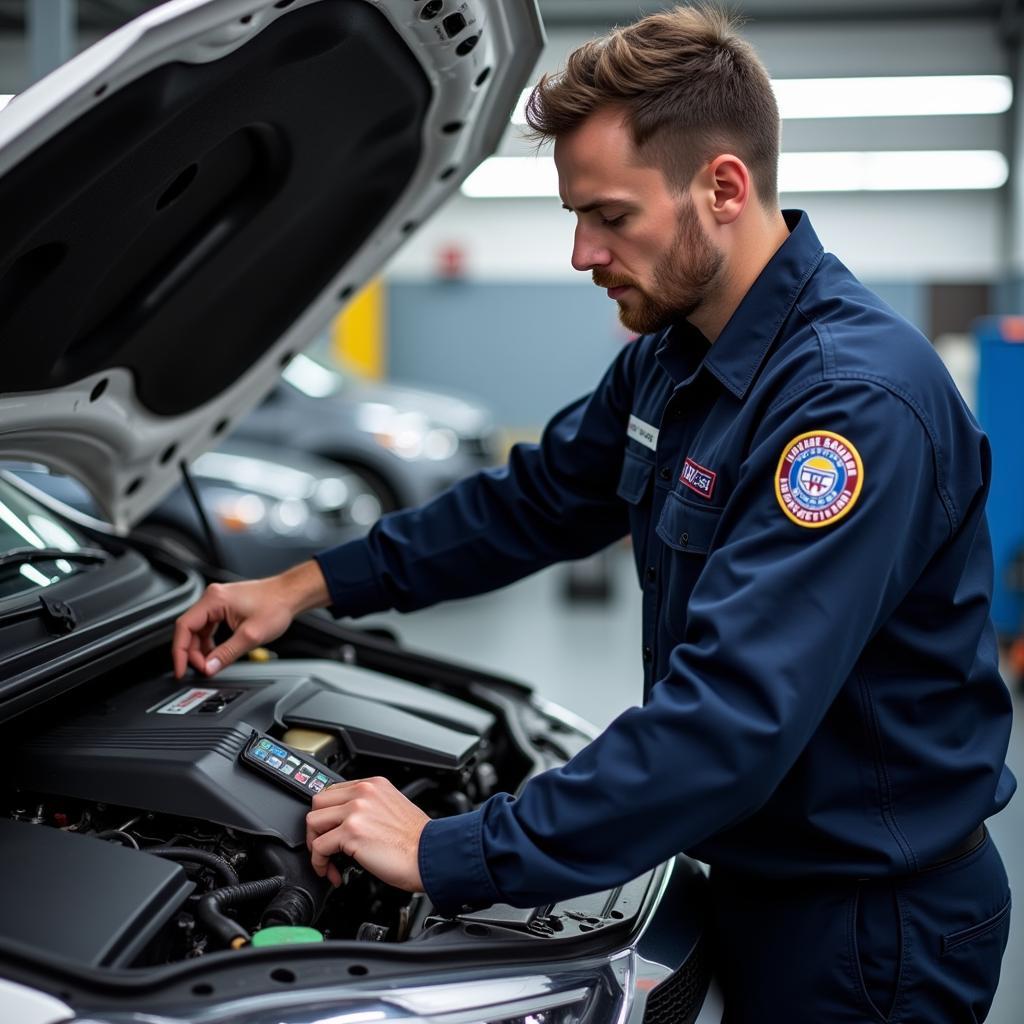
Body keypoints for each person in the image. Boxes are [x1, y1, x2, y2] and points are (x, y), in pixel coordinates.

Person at [172, 6, 1015, 1020]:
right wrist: (306, 585)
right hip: (760, 878)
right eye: (575, 215)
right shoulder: (674, 358)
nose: (581, 252)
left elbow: (727, 724)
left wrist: (447, 849)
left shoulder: (845, 410)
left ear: (722, 188)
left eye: (610, 216)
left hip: (866, 929)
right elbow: (529, 503)